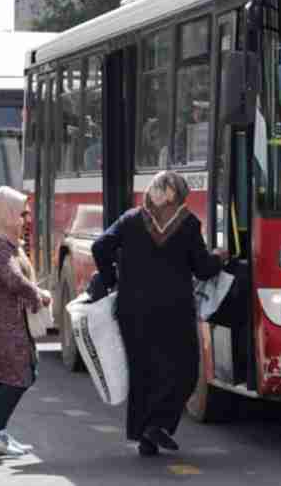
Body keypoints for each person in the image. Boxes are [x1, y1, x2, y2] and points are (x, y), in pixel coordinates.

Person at [92, 171, 228, 457]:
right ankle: (159, 424)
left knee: (144, 372)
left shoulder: (130, 220)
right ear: (177, 196)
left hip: (133, 310)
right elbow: (202, 268)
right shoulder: (188, 225)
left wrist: (110, 278)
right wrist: (220, 257)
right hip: (174, 312)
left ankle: (146, 436)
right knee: (186, 369)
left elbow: (100, 246)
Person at [0, 186, 51, 457]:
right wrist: (39, 295)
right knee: (22, 374)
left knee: (1, 376)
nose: (25, 219)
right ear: (3, 212)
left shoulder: (0, 239)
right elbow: (13, 279)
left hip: (2, 321)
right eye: (21, 213)